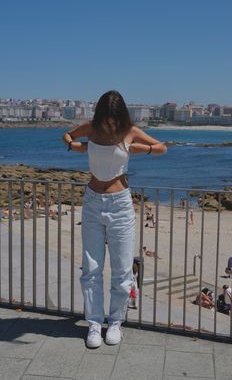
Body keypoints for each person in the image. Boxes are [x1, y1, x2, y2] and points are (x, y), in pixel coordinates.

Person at [63, 90, 167, 348]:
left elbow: (162, 148)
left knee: (121, 270)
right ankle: (95, 323)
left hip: (120, 204)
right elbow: (68, 136)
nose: (110, 125)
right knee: (91, 268)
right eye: (107, 119)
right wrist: (74, 146)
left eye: (114, 119)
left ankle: (117, 322)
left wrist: (141, 149)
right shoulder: (91, 127)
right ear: (100, 116)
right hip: (92, 202)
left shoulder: (129, 130)